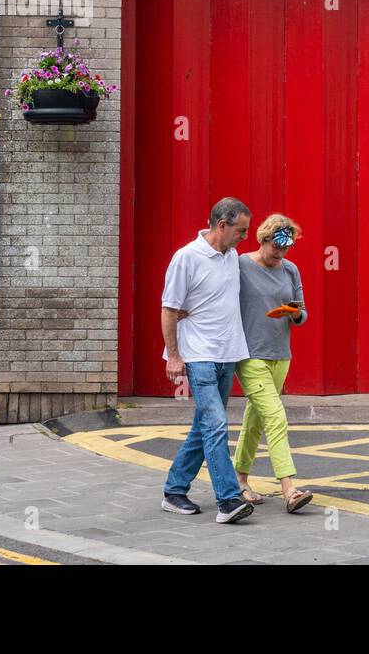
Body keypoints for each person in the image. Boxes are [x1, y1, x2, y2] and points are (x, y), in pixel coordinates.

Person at [159, 197, 256, 524]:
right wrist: (174, 356)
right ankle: (228, 500)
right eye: (241, 230)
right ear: (222, 225)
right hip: (198, 355)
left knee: (204, 429)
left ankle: (174, 490)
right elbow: (169, 309)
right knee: (215, 425)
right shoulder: (187, 257)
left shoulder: (232, 257)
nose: (244, 236)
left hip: (227, 354)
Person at [232, 213, 313, 513]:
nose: (281, 254)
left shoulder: (290, 270)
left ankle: (239, 481)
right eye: (277, 247)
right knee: (276, 417)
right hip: (249, 354)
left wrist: (294, 314)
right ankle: (289, 489)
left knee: (255, 420)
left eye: (287, 248)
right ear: (263, 239)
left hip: (281, 354)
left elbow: (302, 313)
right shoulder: (240, 265)